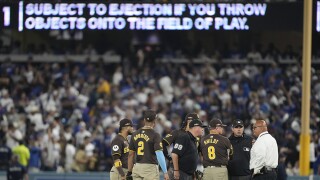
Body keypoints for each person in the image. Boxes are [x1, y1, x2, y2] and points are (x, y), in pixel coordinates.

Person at [127, 110, 169, 180]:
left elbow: (131, 154)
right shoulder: (155, 134)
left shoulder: (135, 134)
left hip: (137, 167)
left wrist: (129, 171)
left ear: (144, 120)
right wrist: (165, 172)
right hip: (150, 168)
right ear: (155, 121)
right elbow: (159, 154)